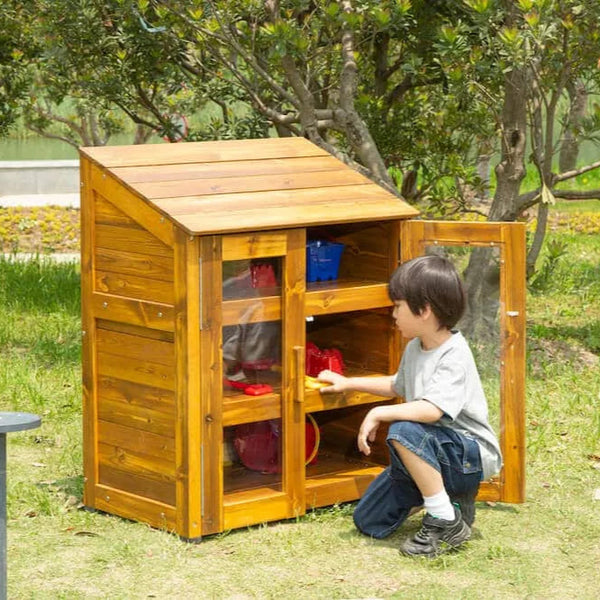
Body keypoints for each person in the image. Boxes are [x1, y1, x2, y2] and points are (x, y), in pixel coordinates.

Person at [317, 255, 502, 557]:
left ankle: (444, 517)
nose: (393, 314)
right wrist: (348, 382)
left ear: (424, 310)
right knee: (369, 520)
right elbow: (397, 384)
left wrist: (379, 412)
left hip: (470, 455)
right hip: (433, 448)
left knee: (403, 430)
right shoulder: (416, 346)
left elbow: (432, 410)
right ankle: (451, 500)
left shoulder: (455, 354)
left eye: (398, 306)